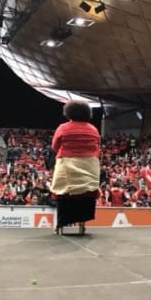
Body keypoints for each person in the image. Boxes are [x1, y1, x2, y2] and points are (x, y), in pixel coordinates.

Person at [49, 100, 101, 235]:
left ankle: (61, 224)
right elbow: (97, 146)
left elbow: (55, 146)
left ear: (68, 112)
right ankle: (82, 223)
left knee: (64, 193)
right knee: (86, 193)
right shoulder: (93, 129)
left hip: (67, 163)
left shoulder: (63, 127)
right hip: (90, 164)